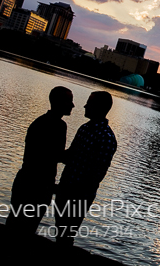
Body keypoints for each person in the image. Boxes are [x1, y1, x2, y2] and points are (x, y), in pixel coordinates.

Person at [6, 86, 74, 237]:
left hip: (29, 182)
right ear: (59, 102)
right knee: (26, 227)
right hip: (35, 186)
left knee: (16, 224)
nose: (72, 105)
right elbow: (54, 156)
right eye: (69, 101)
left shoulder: (45, 122)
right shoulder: (56, 126)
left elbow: (51, 156)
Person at [55, 91, 117, 246]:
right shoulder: (84, 128)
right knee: (60, 231)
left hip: (79, 196)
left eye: (89, 102)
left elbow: (96, 175)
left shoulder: (106, 138)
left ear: (99, 107)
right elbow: (70, 156)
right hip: (65, 190)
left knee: (66, 235)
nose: (85, 105)